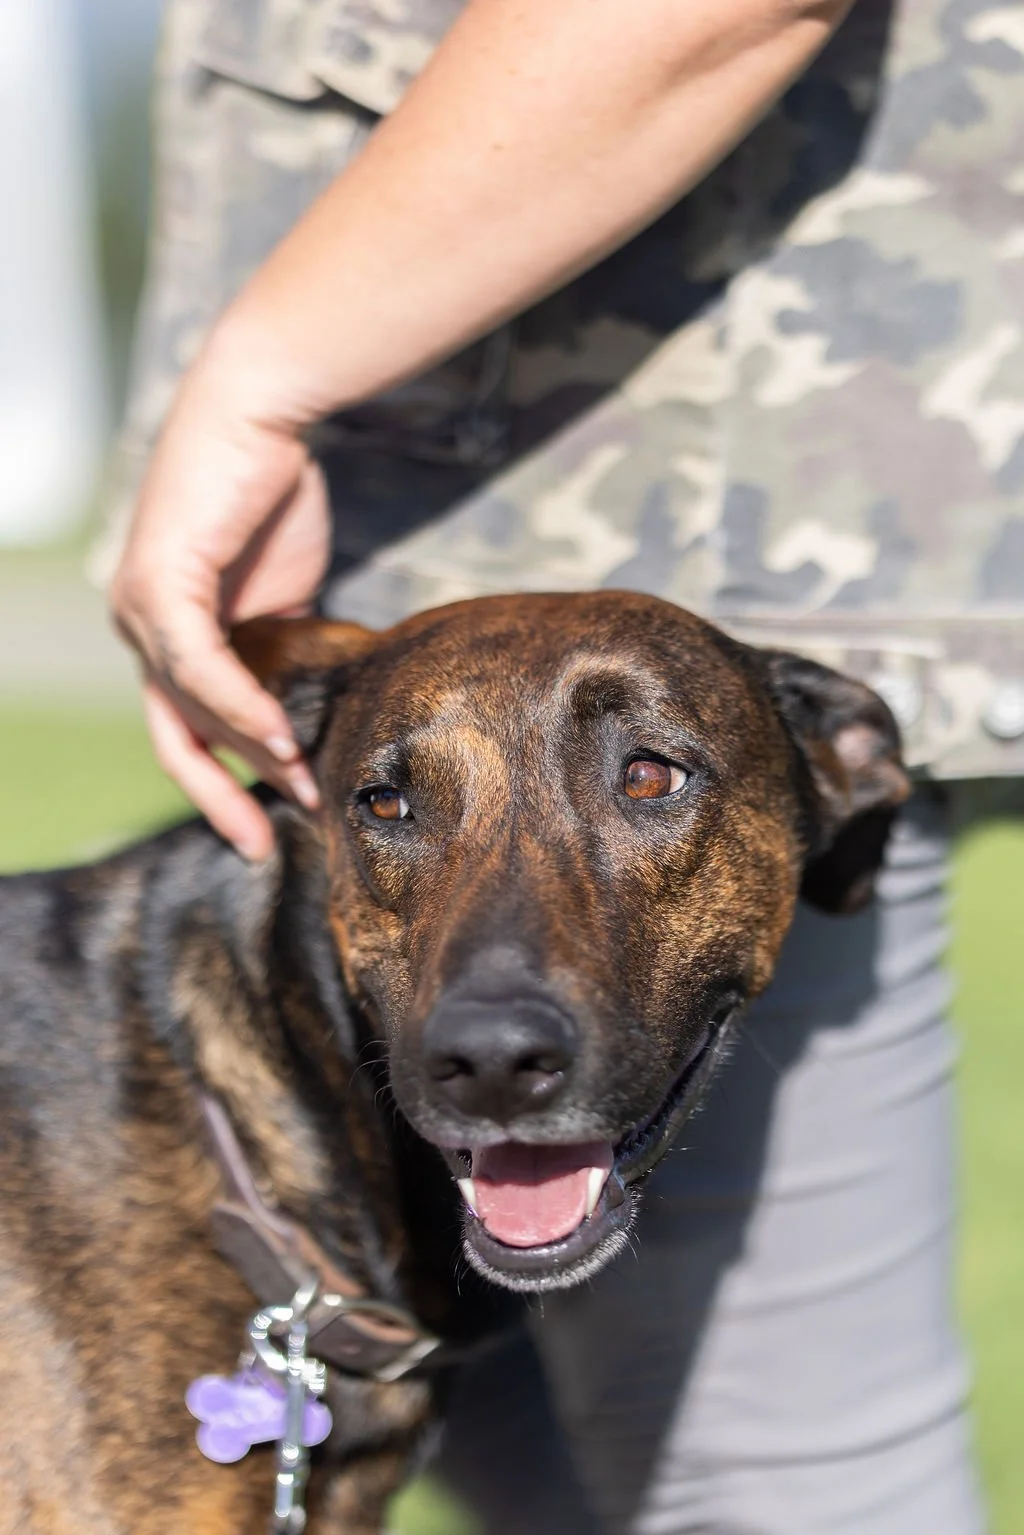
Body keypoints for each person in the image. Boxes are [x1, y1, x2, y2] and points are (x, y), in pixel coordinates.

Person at [106, 0, 1024, 1528]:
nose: (488, 1027)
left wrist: (259, 375)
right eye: (396, 808)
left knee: (768, 1475)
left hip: (752, 502)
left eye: (650, 785)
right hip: (379, 544)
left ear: (835, 790)